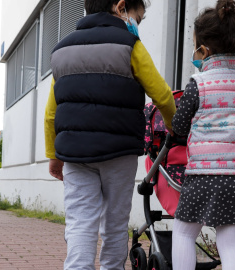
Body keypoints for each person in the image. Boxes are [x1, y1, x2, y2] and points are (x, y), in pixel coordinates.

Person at [44, 0, 176, 269]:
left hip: (76, 154)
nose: (135, 25)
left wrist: (53, 156)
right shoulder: (130, 45)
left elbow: (50, 114)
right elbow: (162, 94)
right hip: (120, 153)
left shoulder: (62, 50)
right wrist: (175, 129)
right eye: (136, 18)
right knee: (115, 225)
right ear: (121, 7)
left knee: (80, 223)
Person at [171, 1, 235, 269]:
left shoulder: (199, 84)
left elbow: (179, 126)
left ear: (204, 49)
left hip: (204, 175)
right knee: (230, 244)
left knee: (183, 233)